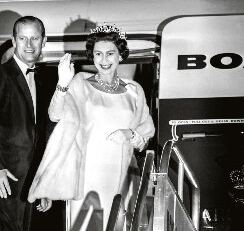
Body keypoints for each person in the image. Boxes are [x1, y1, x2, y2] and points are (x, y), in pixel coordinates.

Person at [27, 24, 155, 230]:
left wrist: (131, 134)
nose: (104, 60)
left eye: (110, 53)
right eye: (98, 54)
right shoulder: (80, 83)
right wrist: (62, 83)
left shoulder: (134, 90)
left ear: (121, 55)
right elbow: (55, 115)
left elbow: (144, 137)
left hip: (125, 175)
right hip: (89, 178)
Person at [0, 16, 53, 231]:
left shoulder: (40, 79)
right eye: (23, 38)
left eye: (34, 38)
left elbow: (37, 137)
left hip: (28, 183)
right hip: (4, 180)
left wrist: (42, 184)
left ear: (43, 41)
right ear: (14, 41)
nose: (28, 45)